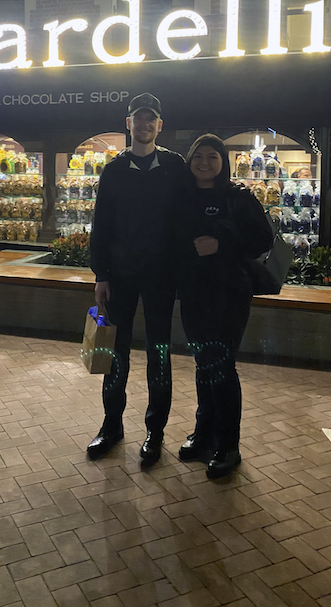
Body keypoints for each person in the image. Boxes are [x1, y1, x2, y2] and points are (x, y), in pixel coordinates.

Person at [88, 93, 185, 465]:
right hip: (121, 279)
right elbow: (102, 227)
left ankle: (155, 432)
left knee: (159, 354)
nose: (144, 125)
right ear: (127, 123)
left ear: (159, 126)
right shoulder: (113, 171)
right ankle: (111, 426)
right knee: (115, 355)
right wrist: (101, 274)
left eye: (151, 119)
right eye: (137, 118)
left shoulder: (175, 167)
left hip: (161, 278)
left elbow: (188, 215)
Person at [175, 134, 273, 478]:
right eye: (198, 156)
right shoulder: (182, 198)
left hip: (230, 292)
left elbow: (264, 239)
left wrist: (221, 243)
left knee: (222, 365)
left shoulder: (239, 198)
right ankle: (204, 434)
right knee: (204, 364)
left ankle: (228, 445)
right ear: (190, 161)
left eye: (212, 157)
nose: (204, 163)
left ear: (223, 161)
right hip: (194, 292)